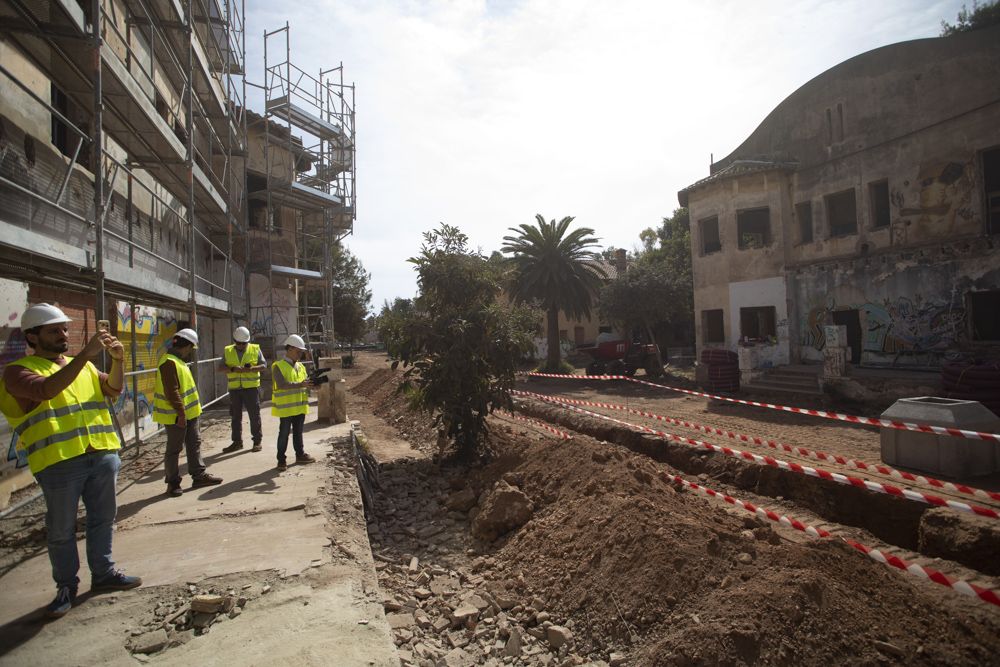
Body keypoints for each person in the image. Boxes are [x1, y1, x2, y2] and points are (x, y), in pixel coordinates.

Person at [0, 303, 141, 618]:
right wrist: (85, 356)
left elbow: (114, 388)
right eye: (54, 331)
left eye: (64, 329)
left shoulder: (84, 368)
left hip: (101, 454)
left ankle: (103, 573)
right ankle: (66, 586)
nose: (63, 335)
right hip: (60, 462)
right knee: (61, 529)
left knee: (102, 519)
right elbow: (47, 390)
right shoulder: (18, 371)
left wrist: (118, 360)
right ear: (32, 336)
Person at [153, 328, 222, 497]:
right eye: (190, 348)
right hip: (176, 416)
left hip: (190, 414)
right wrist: (181, 414)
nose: (190, 352)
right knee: (174, 449)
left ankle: (198, 475)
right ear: (186, 346)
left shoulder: (178, 361)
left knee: (194, 444)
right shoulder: (168, 362)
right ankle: (173, 483)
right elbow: (172, 391)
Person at [271, 334, 316, 471]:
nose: (300, 355)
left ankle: (300, 454)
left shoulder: (301, 367)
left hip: (299, 407)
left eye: (301, 352)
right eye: (298, 352)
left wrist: (312, 386)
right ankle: (281, 460)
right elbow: (282, 385)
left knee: (298, 433)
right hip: (286, 409)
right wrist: (301, 384)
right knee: (284, 433)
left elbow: (304, 384)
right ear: (289, 349)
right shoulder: (278, 366)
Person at [219, 326, 265, 453]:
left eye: (243, 343)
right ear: (234, 341)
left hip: (251, 388)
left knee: (254, 415)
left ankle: (257, 441)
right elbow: (220, 368)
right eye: (238, 343)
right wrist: (233, 369)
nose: (240, 346)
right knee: (235, 416)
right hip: (235, 389)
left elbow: (264, 365)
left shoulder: (255, 349)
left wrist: (251, 369)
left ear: (248, 341)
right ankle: (237, 442)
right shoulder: (228, 351)